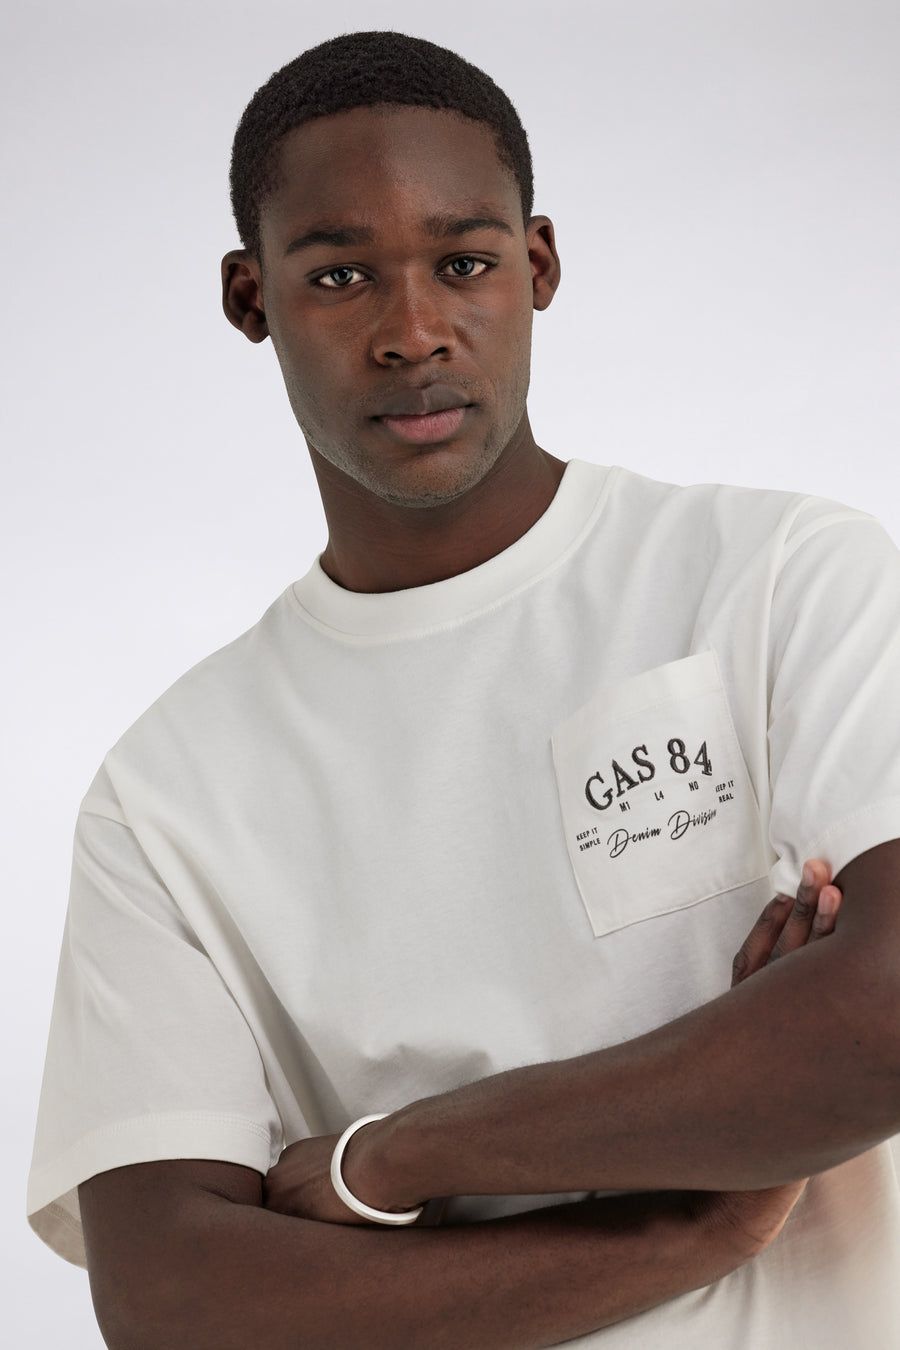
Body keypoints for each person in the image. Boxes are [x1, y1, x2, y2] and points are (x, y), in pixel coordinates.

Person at [27, 30, 900, 1349]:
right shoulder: (166, 794)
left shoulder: (780, 577)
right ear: (250, 296)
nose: (413, 331)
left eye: (465, 263)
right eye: (339, 275)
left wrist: (397, 1156)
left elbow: (884, 1019)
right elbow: (174, 1301)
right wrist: (694, 1223)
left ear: (537, 266)